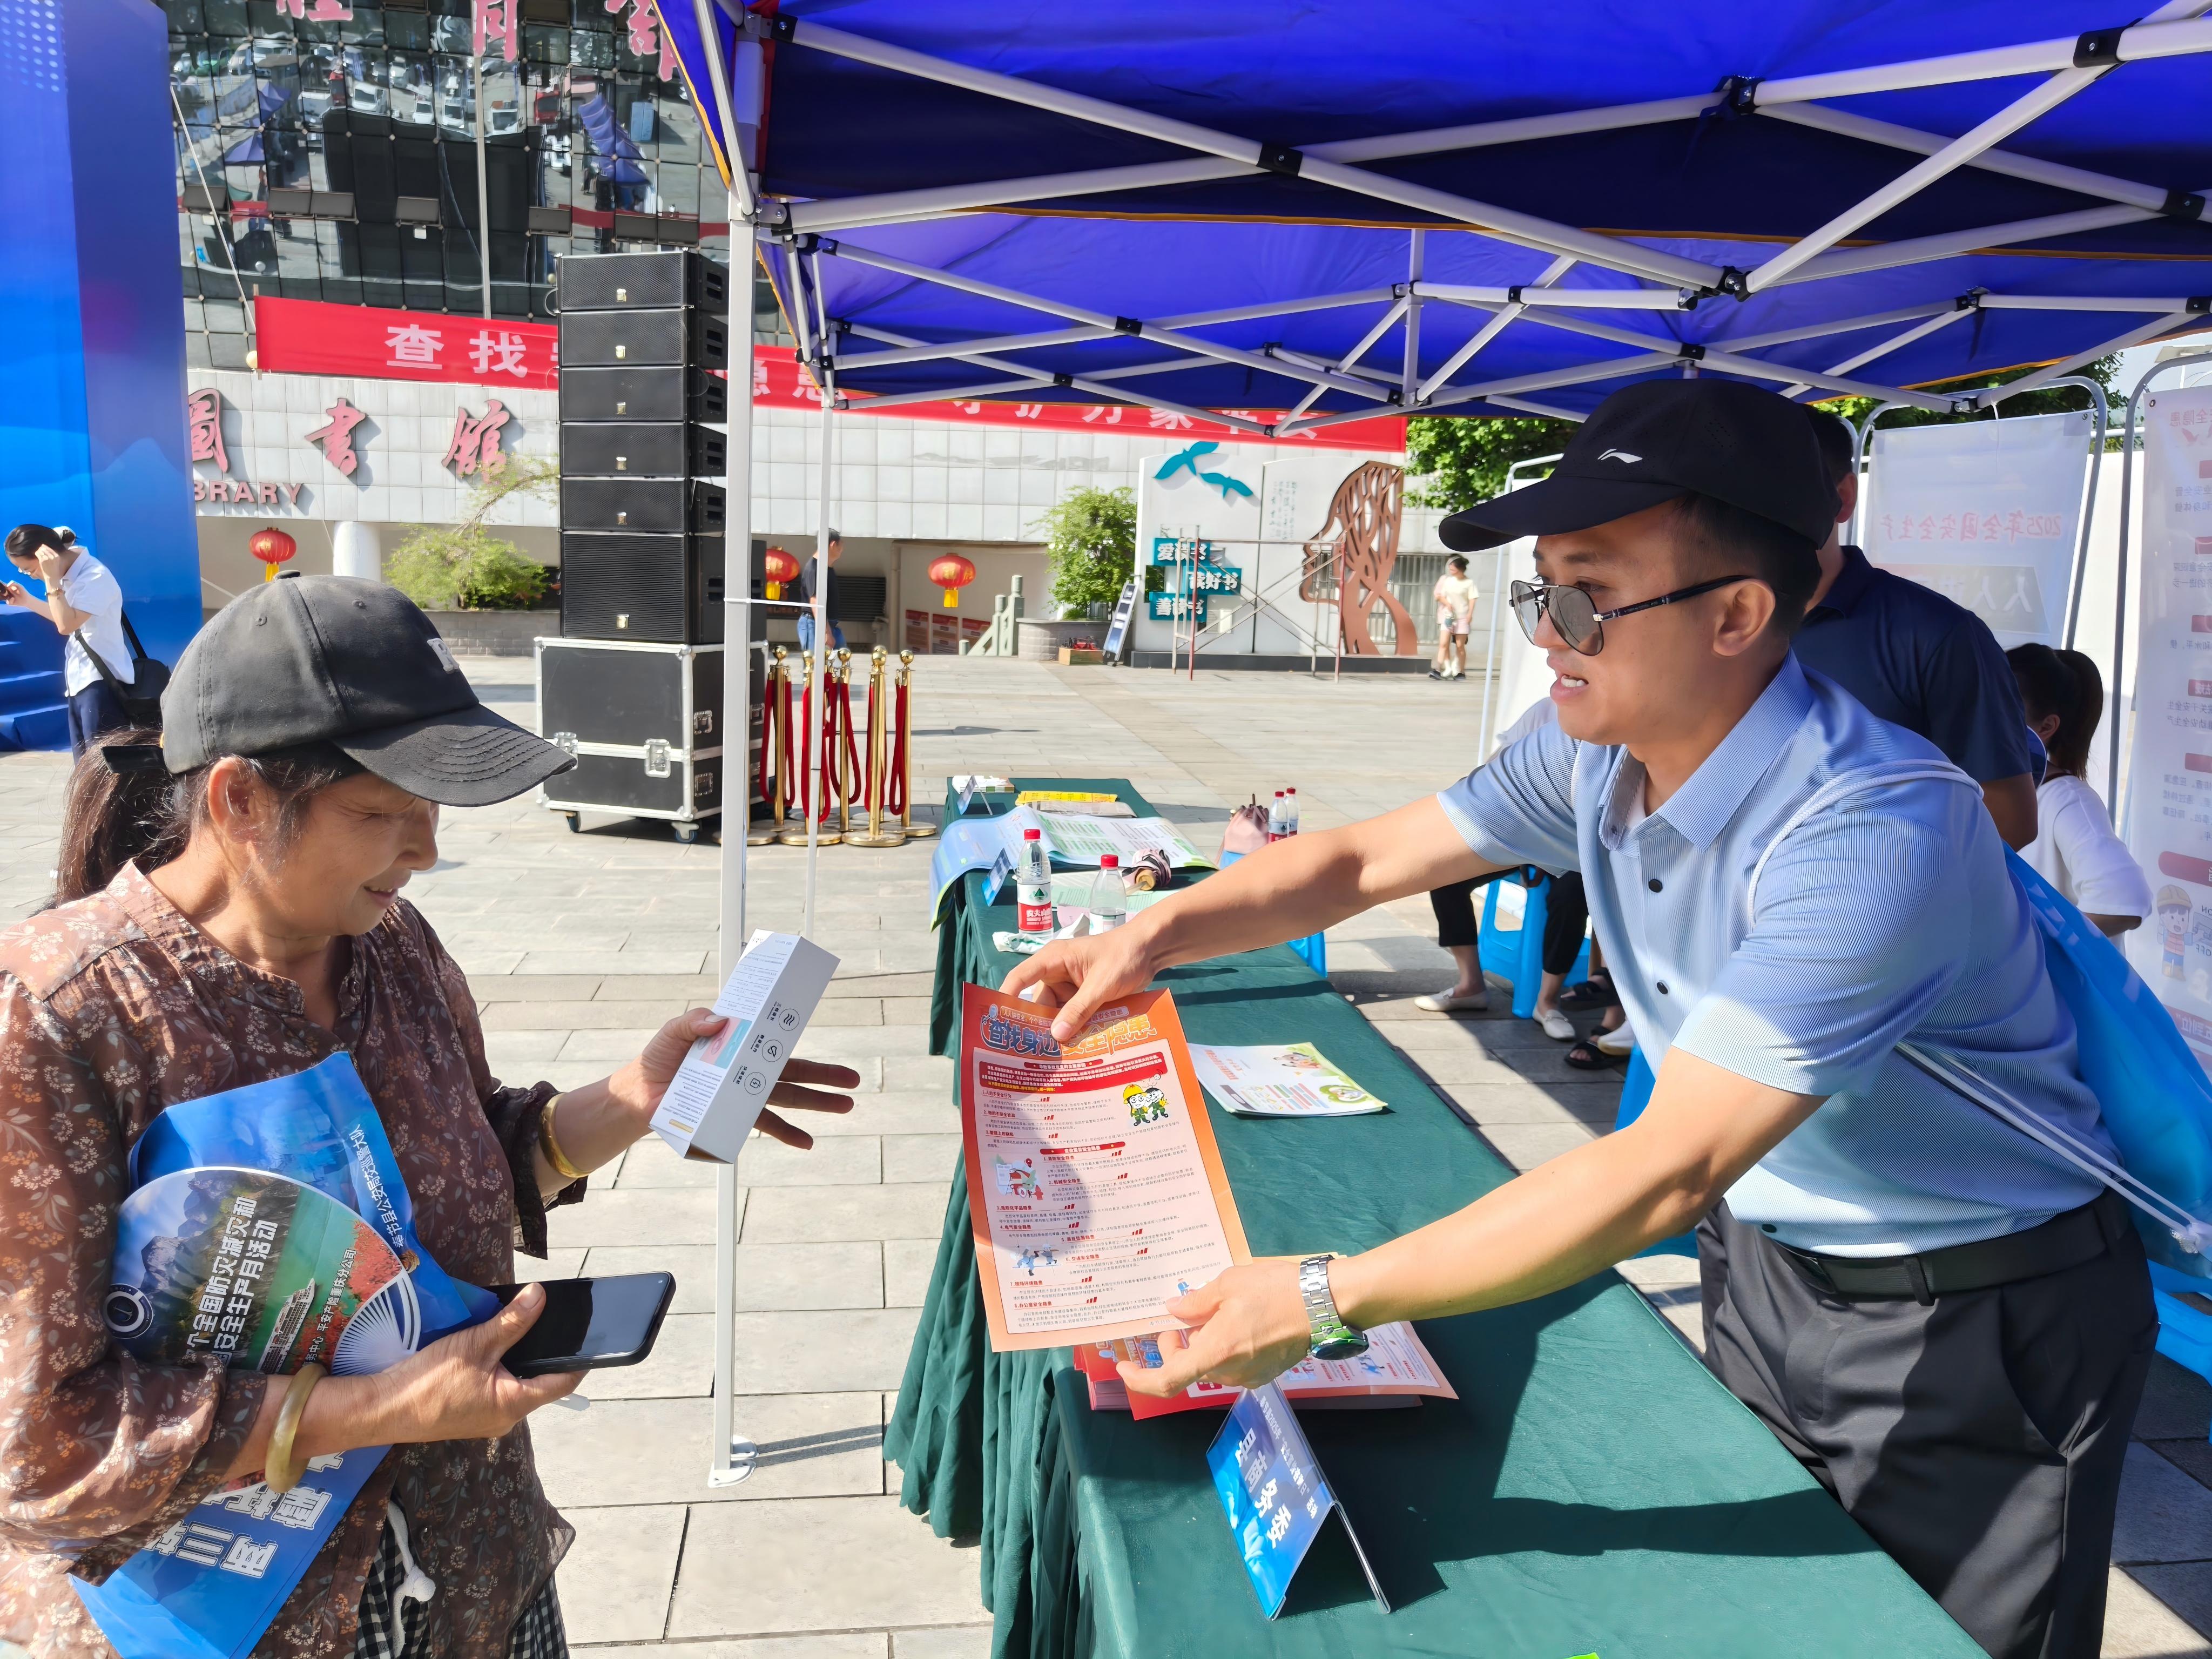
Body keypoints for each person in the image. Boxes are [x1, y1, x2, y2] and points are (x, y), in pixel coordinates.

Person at [1007, 379, 2151, 1659]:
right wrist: (1146, 934)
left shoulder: (1873, 827)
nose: (1548, 635)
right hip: (1769, 1264)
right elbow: (1363, 860)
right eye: (1538, 592)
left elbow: (1668, 1164)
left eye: (1585, 598)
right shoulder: (1593, 751)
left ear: (1736, 614)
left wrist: (1327, 1296)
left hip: (1977, 1314)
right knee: (1774, 1627)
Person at [0, 575, 859, 1657]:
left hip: (473, 1567)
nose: (425, 850)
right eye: (382, 812)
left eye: (432, 810)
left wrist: (639, 1098)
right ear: (239, 800)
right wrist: (381, 1411)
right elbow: (35, 1444)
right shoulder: (63, 1016)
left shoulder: (389, 944)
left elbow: (467, 1160)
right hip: (240, 1619)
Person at [1793, 410, 2040, 849]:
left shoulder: (1938, 635)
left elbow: (2010, 821)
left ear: (1842, 498)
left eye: (1779, 490)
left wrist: (1854, 867)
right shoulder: (1705, 628)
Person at [2009, 643, 2150, 938]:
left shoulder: (2067, 800)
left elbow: (2123, 901)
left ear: (2046, 727)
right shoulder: (1985, 786)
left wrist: (2033, 945)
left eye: (2000, 709)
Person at [2, 522, 138, 754]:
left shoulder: (94, 577)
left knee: (103, 766)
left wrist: (51, 580)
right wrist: (27, 601)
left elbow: (66, 625)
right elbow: (67, 620)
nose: (30, 575)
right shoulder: (70, 577)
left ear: (45, 556)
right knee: (84, 766)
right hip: (81, 682)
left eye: (27, 569)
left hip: (102, 683)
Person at [1429, 553, 1478, 680]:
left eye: (1453, 569)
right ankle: (1437, 670)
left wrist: (1470, 615)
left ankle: (1461, 672)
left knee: (1460, 646)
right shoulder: (1448, 581)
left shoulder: (1469, 583)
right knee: (1443, 644)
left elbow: (1472, 599)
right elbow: (1441, 595)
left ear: (1460, 569)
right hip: (1449, 617)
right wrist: (1448, 604)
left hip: (1462, 618)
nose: (1450, 571)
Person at [797, 528, 845, 653]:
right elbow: (815, 601)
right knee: (814, 663)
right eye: (841, 545)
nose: (842, 550)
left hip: (828, 625)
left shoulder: (826, 567)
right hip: (814, 624)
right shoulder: (814, 568)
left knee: (840, 662)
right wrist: (826, 632)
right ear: (833, 545)